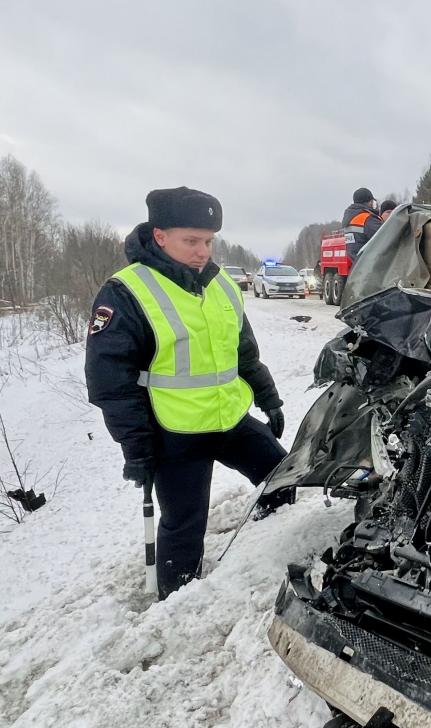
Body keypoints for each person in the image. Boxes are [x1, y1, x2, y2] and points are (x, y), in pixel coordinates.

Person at [85, 187, 292, 599]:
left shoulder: (221, 284)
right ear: (160, 236)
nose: (203, 252)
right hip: (175, 433)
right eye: (192, 241)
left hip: (230, 420)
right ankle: (176, 600)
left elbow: (244, 353)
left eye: (209, 241)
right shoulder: (126, 291)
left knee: (283, 479)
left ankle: (263, 545)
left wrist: (268, 398)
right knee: (184, 524)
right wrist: (136, 446)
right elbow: (110, 380)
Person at [341, 187, 382, 263]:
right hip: (371, 264)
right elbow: (386, 237)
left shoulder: (349, 219)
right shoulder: (367, 219)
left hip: (357, 264)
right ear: (370, 202)